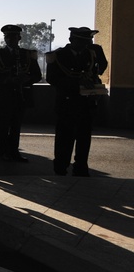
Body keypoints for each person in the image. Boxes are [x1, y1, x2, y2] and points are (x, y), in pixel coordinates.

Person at [46, 26, 109, 176]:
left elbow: (99, 70)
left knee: (84, 138)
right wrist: (77, 83)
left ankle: (81, 167)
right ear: (71, 40)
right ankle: (61, 166)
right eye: (81, 41)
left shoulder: (91, 54)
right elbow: (52, 79)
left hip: (85, 103)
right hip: (66, 103)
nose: (84, 45)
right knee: (64, 138)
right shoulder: (58, 55)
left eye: (87, 41)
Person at [0, 24, 42, 162]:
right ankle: (2, 152)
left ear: (19, 37)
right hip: (3, 95)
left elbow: (37, 75)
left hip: (20, 95)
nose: (10, 39)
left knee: (16, 126)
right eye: (7, 37)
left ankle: (14, 152)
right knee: (3, 126)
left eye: (13, 36)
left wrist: (27, 79)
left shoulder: (27, 54)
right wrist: (7, 80)